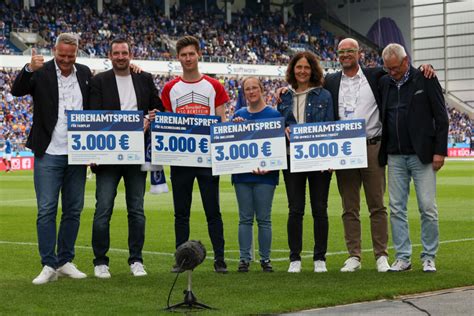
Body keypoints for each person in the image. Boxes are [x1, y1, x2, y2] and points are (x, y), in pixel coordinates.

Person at [324, 38, 434, 272]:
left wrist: (426, 67)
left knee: (378, 205)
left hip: (372, 146)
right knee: (349, 206)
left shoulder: (376, 76)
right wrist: (286, 89)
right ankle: (354, 256)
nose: (345, 55)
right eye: (341, 52)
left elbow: (405, 73)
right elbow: (307, 87)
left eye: (350, 51)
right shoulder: (330, 81)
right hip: (344, 149)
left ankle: (381, 255)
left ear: (359, 54)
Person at [11, 33, 91, 284]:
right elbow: (16, 90)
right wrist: (27, 69)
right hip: (48, 152)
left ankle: (65, 260)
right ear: (54, 50)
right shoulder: (41, 71)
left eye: (71, 55)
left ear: (77, 52)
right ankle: (48, 264)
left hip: (77, 154)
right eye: (61, 54)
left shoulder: (86, 73)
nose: (66, 59)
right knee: (46, 210)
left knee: (73, 210)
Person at [89, 38, 163, 278]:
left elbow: (158, 108)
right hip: (108, 156)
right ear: (109, 55)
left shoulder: (144, 78)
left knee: (137, 210)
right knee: (103, 209)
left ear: (131, 54)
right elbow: (93, 116)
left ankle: (136, 260)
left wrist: (150, 117)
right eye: (116, 53)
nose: (121, 56)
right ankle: (100, 261)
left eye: (124, 52)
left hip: (137, 154)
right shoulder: (99, 80)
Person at [161, 35, 229, 273]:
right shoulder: (170, 89)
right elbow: (168, 123)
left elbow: (221, 120)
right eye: (183, 55)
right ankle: (181, 260)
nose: (188, 58)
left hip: (208, 159)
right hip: (181, 159)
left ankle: (220, 259)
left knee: (213, 211)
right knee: (181, 213)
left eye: (191, 54)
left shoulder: (214, 86)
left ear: (198, 54)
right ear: (178, 58)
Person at [379, 43, 448, 272]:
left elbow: (441, 116)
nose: (392, 72)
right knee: (396, 208)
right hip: (395, 155)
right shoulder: (384, 82)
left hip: (422, 155)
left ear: (406, 61)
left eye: (395, 68)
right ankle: (403, 257)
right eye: (388, 68)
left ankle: (429, 256)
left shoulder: (425, 78)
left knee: (427, 207)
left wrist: (440, 150)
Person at [277, 51, 334, 273]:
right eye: (298, 67)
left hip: (318, 159)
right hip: (291, 158)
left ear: (313, 70)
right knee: (295, 209)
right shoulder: (284, 96)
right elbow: (279, 124)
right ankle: (295, 258)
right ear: (293, 70)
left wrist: (330, 158)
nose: (302, 71)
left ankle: (320, 258)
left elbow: (329, 127)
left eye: (306, 67)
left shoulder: (324, 96)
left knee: (320, 209)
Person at [232, 77, 281, 273]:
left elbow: (277, 147)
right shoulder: (239, 114)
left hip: (265, 175)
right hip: (242, 174)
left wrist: (270, 166)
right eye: (247, 89)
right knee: (244, 218)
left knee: (264, 218)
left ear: (262, 89)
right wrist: (234, 126)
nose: (251, 92)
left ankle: (265, 259)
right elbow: (230, 145)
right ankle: (244, 259)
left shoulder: (273, 114)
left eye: (254, 88)